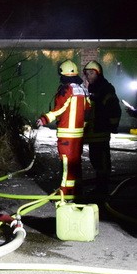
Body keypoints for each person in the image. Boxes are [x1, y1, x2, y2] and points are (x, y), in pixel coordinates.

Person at [37, 60, 90, 196]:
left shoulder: (66, 89)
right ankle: (77, 191)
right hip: (78, 135)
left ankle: (65, 193)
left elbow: (59, 109)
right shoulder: (82, 89)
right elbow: (88, 109)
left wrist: (44, 119)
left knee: (66, 164)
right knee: (75, 163)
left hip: (67, 135)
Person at [82, 60, 121, 199]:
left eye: (91, 73)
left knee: (102, 162)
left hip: (101, 131)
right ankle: (99, 188)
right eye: (87, 73)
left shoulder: (105, 89)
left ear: (99, 74)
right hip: (93, 132)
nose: (88, 76)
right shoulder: (93, 89)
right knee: (96, 161)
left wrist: (111, 126)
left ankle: (102, 190)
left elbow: (115, 110)